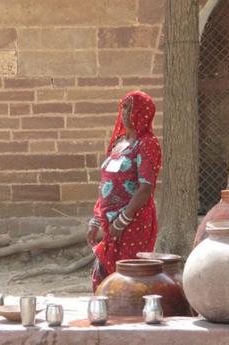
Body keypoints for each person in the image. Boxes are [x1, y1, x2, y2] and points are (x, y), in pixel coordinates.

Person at [87, 90, 162, 291]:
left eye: (130, 107)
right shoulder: (119, 144)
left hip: (133, 223)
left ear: (143, 112)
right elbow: (104, 183)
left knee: (129, 282)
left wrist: (121, 222)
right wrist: (96, 220)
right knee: (103, 281)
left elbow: (145, 188)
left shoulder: (146, 144)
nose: (125, 112)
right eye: (124, 106)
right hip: (109, 224)